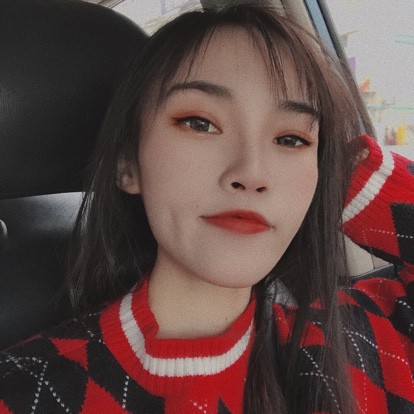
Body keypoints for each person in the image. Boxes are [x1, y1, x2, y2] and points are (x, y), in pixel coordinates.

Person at [0, 5, 413, 414]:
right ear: (128, 163)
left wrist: (348, 171)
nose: (251, 173)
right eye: (199, 123)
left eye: (291, 140)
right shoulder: (27, 393)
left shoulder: (364, 346)